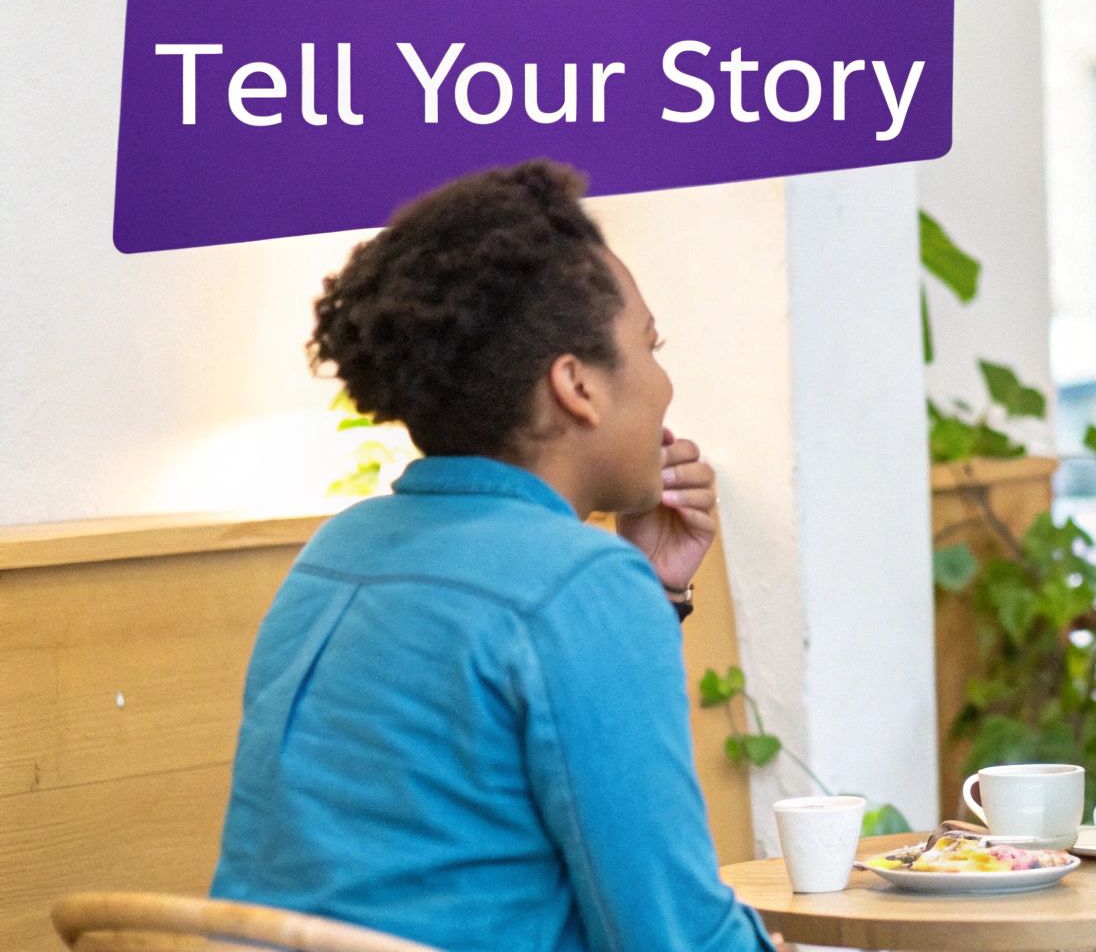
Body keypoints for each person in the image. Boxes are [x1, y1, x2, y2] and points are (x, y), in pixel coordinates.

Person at [211, 160, 785, 952]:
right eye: (649, 346)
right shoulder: (576, 585)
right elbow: (671, 934)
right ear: (577, 385)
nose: (663, 382)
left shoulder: (338, 551)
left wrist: (651, 587)